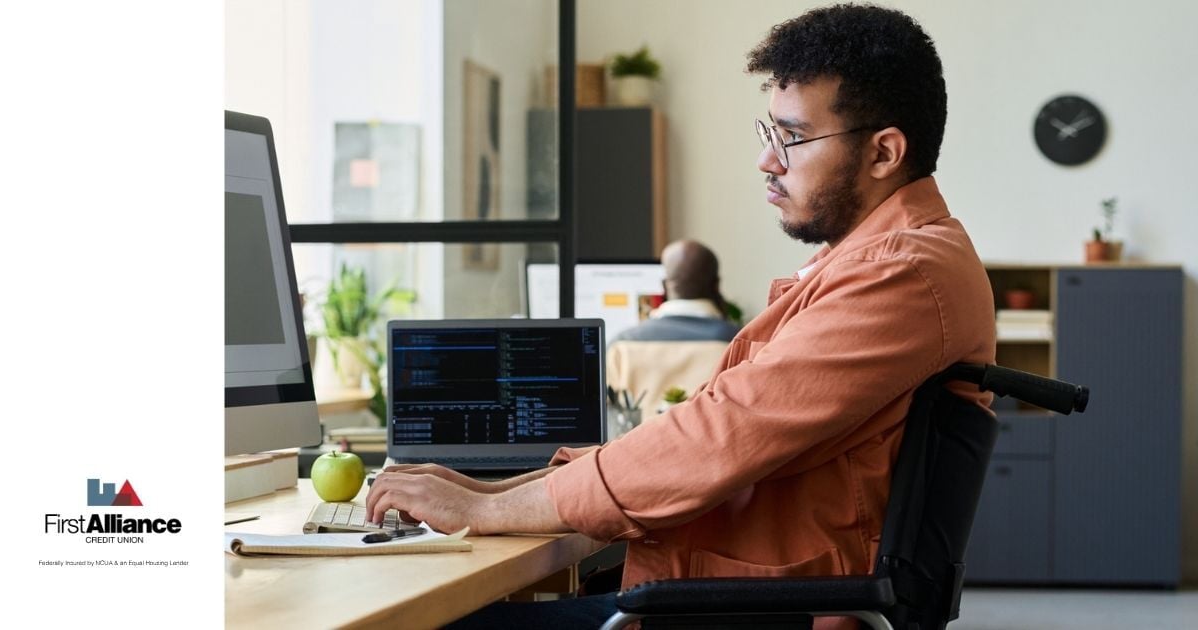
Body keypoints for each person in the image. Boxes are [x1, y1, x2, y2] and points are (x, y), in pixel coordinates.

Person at [367, 5, 996, 628]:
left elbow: (716, 437)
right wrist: (488, 494)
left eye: (794, 138)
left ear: (884, 152)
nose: (768, 160)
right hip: (737, 591)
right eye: (768, 132)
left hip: (761, 611)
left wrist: (487, 511)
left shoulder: (902, 274)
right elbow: (711, 430)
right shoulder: (880, 260)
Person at [607, 239, 741, 421]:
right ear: (716, 285)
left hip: (641, 447)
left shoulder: (621, 346)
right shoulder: (741, 342)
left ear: (664, 286)